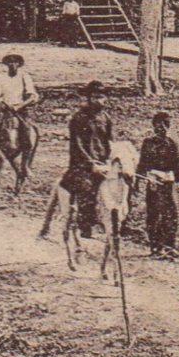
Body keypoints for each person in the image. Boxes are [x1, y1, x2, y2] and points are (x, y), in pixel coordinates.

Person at [62, 81, 113, 239]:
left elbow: (109, 141)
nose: (99, 101)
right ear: (89, 98)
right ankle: (85, 225)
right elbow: (77, 145)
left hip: (103, 162)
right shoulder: (79, 118)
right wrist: (91, 164)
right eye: (95, 97)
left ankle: (117, 222)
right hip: (83, 164)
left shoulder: (106, 118)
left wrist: (110, 160)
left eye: (102, 97)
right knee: (87, 187)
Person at [137, 111, 179, 257]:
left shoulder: (172, 144)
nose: (162, 128)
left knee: (172, 213)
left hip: (168, 182)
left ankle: (169, 246)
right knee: (154, 214)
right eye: (159, 125)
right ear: (153, 126)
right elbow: (142, 163)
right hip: (153, 182)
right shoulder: (148, 144)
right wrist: (138, 181)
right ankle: (155, 246)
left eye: (165, 125)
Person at [0, 53, 41, 172]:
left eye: (15, 62)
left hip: (21, 110)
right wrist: (0, 103)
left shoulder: (24, 76)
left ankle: (25, 165)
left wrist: (20, 106)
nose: (12, 65)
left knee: (28, 134)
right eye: (9, 62)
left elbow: (32, 96)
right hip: (5, 109)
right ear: (6, 64)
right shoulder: (1, 77)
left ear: (19, 64)